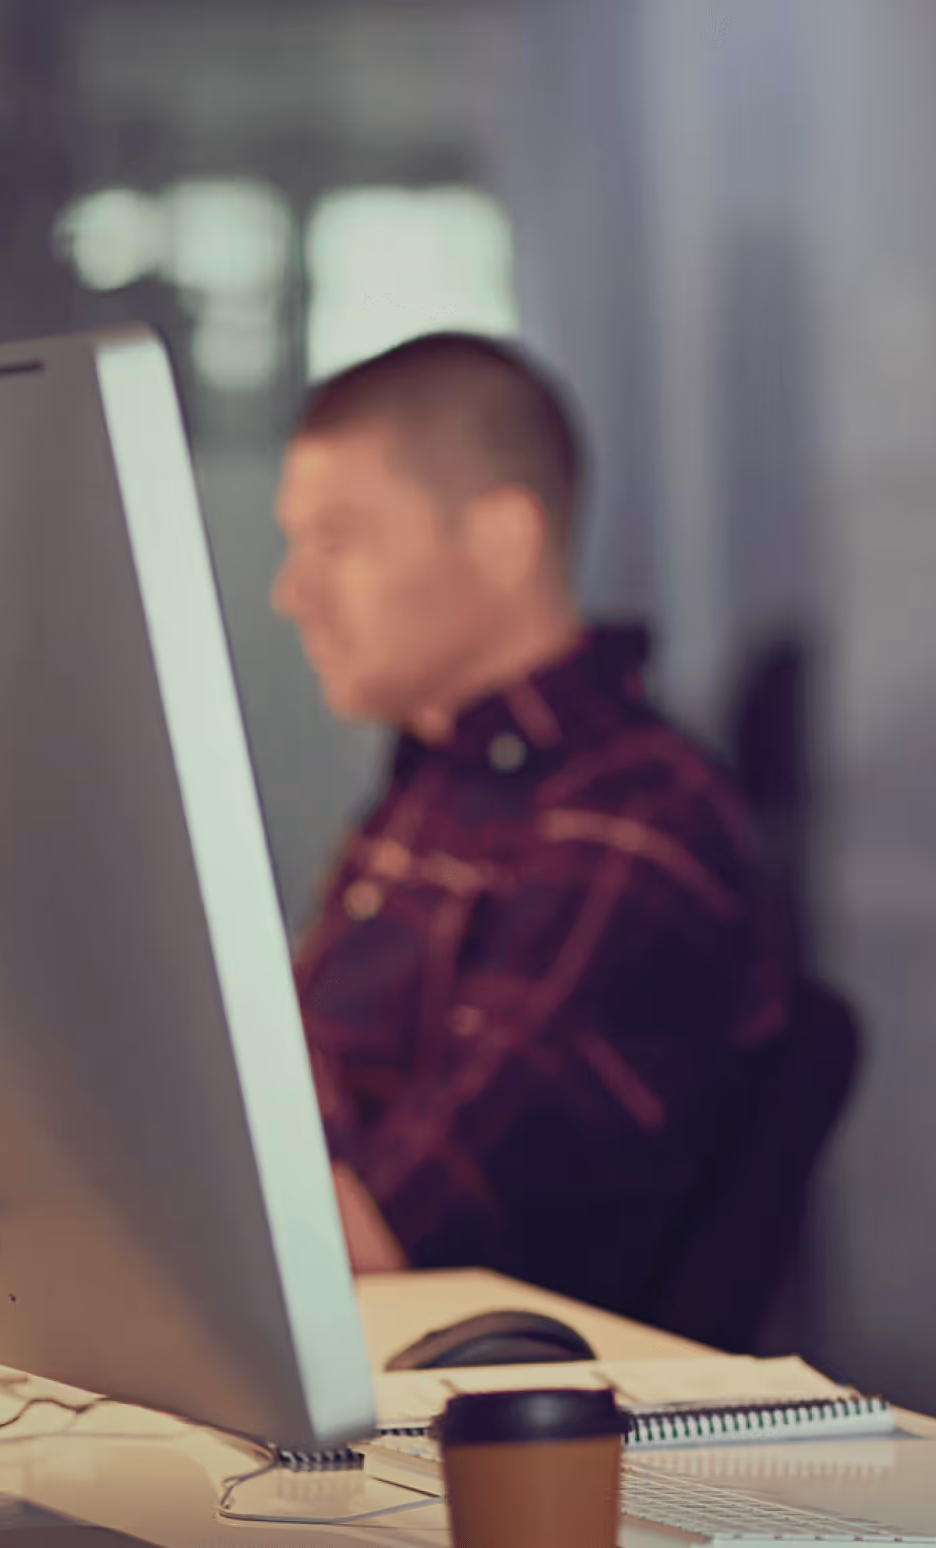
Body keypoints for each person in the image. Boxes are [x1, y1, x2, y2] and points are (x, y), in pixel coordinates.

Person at [275, 332, 790, 1322]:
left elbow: (384, 1238)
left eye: (336, 540)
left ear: (503, 540)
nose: (292, 592)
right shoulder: (438, 785)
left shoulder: (627, 824)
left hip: (489, 1423)